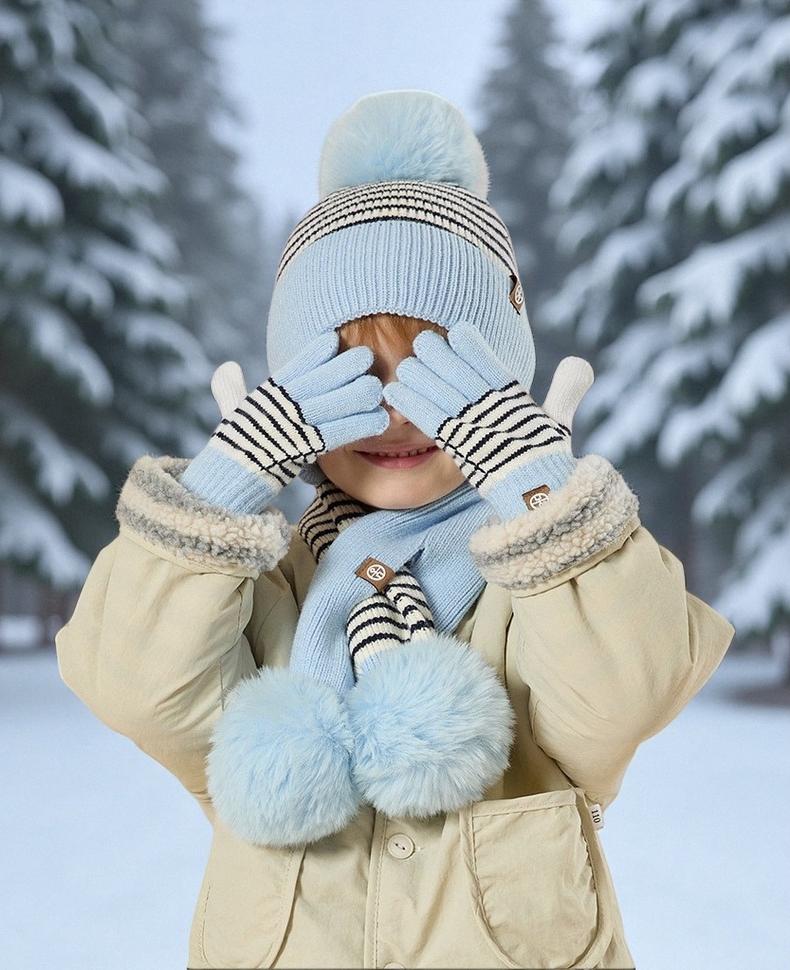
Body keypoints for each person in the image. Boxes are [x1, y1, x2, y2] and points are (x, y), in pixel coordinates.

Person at [55, 90, 735, 970]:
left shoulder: (535, 588)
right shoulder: (258, 595)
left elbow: (629, 688)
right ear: (294, 395)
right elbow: (132, 684)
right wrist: (219, 496)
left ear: (495, 384)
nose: (395, 413)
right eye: (351, 373)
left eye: (430, 369)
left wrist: (542, 493)